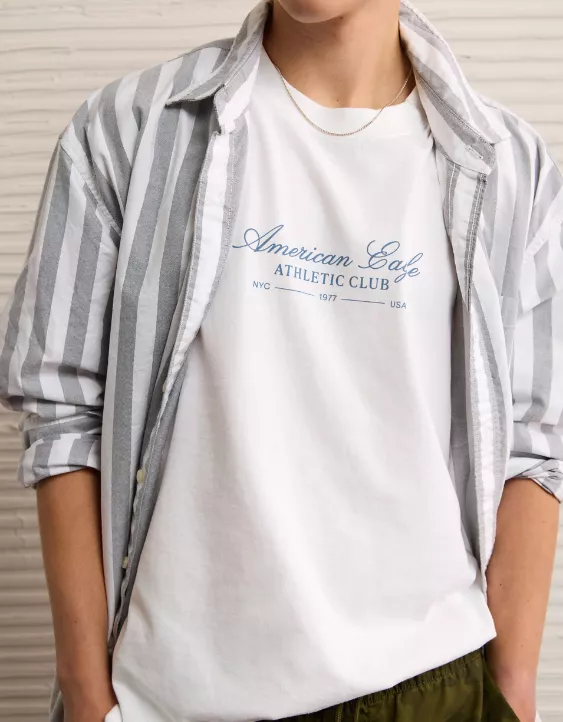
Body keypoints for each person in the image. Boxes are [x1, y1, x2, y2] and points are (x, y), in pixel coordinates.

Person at [0, 0, 561, 720]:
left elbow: (532, 446)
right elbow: (63, 414)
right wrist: (87, 697)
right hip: (175, 699)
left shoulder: (511, 168)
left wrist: (512, 692)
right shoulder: (127, 131)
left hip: (430, 689)